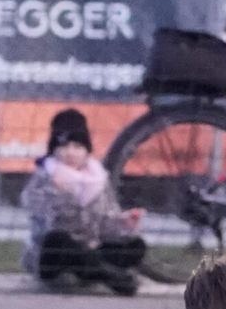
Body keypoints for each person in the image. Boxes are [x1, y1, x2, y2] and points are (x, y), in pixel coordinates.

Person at [21, 108, 146, 297]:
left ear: (87, 150)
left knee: (136, 245)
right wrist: (64, 193)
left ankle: (98, 271)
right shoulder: (44, 177)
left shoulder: (99, 179)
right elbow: (49, 224)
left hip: (91, 248)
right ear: (54, 150)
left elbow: (106, 225)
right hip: (55, 256)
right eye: (64, 147)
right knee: (58, 242)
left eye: (77, 147)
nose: (70, 153)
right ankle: (113, 278)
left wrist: (125, 222)